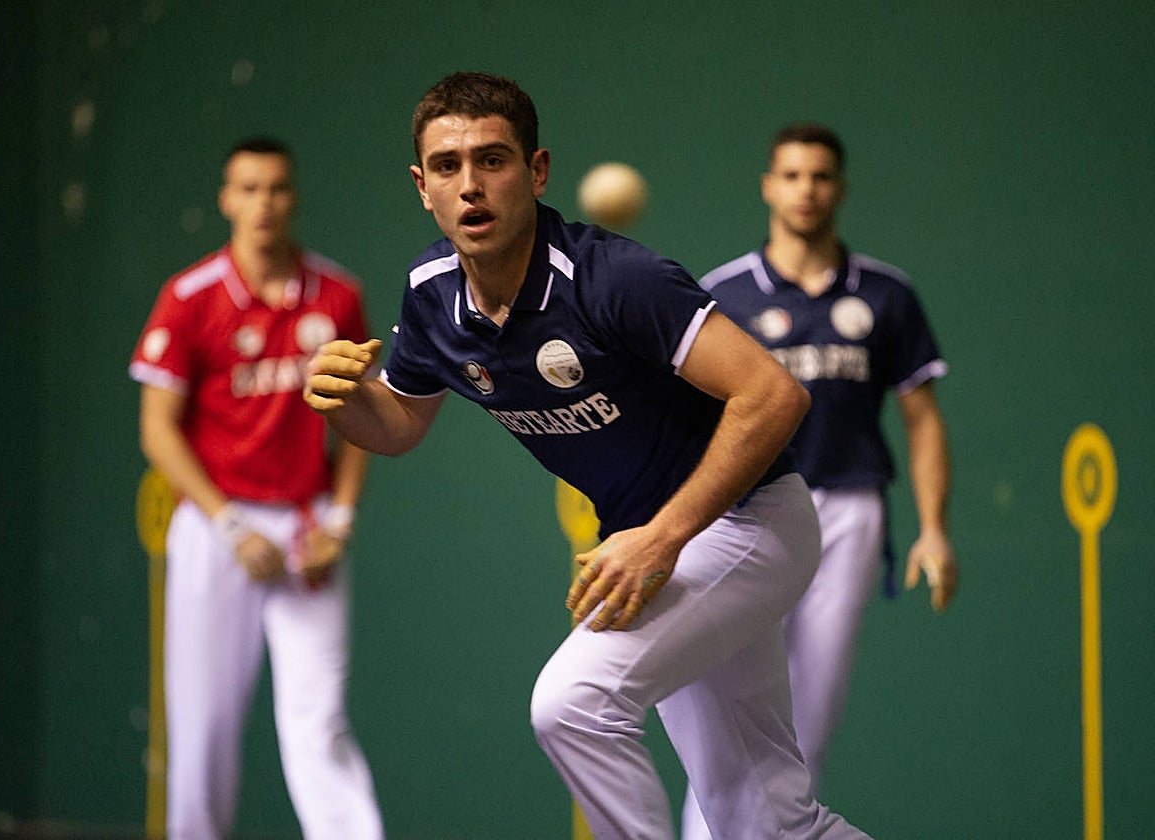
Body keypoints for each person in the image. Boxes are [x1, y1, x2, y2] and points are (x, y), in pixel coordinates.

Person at [304, 72, 870, 840]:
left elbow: (773, 397)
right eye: (447, 166)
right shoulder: (432, 295)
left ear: (536, 172)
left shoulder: (617, 280)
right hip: (662, 549)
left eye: (493, 161)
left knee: (573, 704)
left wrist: (663, 538)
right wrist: (347, 400)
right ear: (422, 186)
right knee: (766, 821)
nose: (470, 185)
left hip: (745, 524)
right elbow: (399, 424)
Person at [681, 122, 959, 836]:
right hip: (745, 516)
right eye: (793, 175)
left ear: (840, 188)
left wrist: (932, 529)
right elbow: (689, 423)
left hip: (849, 514)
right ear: (769, 186)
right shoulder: (724, 294)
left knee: (808, 722)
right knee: (728, 712)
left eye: (822, 176)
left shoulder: (887, 295)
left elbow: (922, 419)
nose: (807, 190)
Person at [129, 136, 383, 840]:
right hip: (217, 532)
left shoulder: (338, 295)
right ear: (226, 199)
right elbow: (159, 431)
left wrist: (341, 517)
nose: (263, 202)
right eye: (248, 188)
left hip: (309, 530)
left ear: (293, 196)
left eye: (276, 187)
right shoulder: (189, 298)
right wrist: (230, 525)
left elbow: (361, 417)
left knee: (319, 718)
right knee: (203, 726)